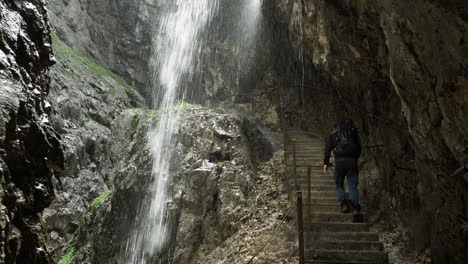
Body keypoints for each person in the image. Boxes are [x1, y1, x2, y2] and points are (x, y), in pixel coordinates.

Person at [323, 119, 362, 219]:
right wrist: (354, 158)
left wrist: (326, 163)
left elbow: (327, 150)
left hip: (339, 162)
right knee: (352, 185)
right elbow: (359, 148)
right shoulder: (353, 134)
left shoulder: (334, 135)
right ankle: (355, 208)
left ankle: (344, 203)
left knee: (339, 184)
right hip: (352, 162)